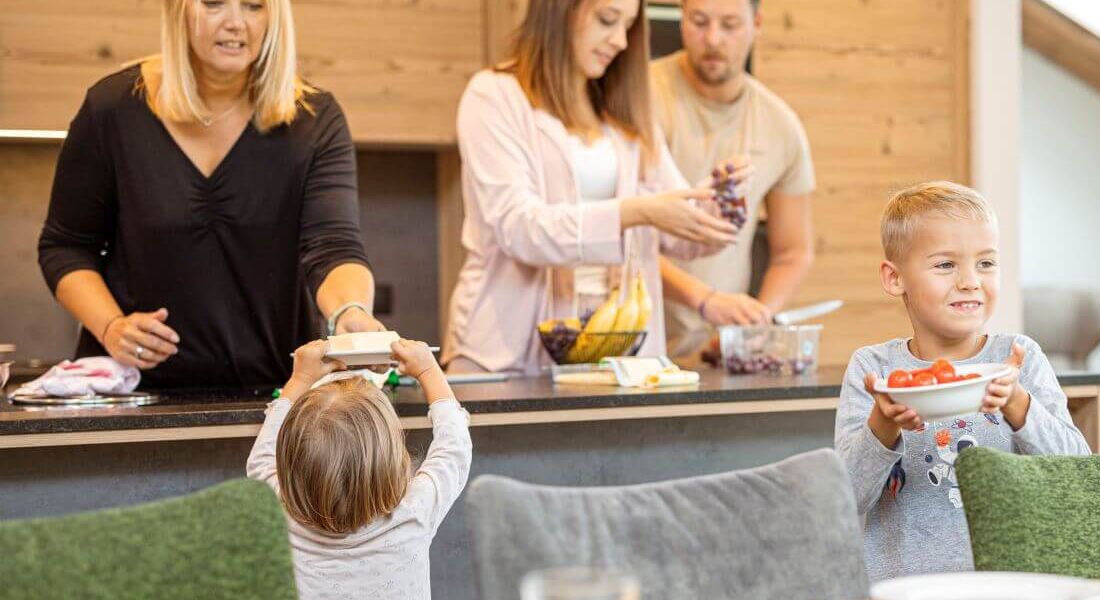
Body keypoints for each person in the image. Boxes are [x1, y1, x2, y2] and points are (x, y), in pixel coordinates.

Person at [37, 0, 383, 389]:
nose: (235, 23)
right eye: (214, 3)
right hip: (131, 395)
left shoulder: (315, 120)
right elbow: (65, 246)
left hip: (276, 395)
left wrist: (350, 312)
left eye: (254, 6)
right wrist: (111, 326)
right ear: (178, 10)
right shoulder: (112, 109)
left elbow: (334, 246)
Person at [443, 0, 747, 375]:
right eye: (607, 20)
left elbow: (684, 237)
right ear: (560, 11)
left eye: (628, 26)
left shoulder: (627, 112)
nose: (619, 40)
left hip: (619, 356)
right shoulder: (494, 95)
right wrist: (635, 211)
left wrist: (720, 199)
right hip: (504, 355)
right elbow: (519, 228)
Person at [833, 181, 1091, 581]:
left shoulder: (1019, 359)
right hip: (905, 588)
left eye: (985, 263)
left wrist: (1019, 405)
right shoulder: (874, 369)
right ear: (894, 278)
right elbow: (845, 497)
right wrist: (883, 425)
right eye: (946, 265)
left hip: (1013, 584)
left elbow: (1079, 476)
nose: (970, 280)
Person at [650, 0, 816, 359]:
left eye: (729, 25)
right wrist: (705, 300)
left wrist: (754, 325)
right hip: (631, 344)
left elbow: (794, 251)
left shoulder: (780, 125)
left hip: (716, 352)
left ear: (756, 23)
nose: (713, 39)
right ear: (681, 21)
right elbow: (625, 240)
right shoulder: (639, 96)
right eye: (699, 22)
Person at [247, 338, 470, 600]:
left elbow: (261, 458)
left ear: (289, 465)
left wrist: (301, 378)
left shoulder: (277, 509)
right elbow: (454, 447)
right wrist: (428, 372)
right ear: (394, 458)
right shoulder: (413, 512)